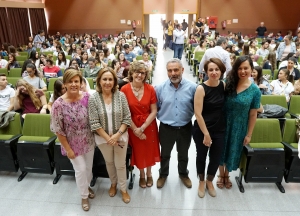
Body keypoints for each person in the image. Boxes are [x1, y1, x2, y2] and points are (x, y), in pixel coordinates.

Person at [50, 68, 96, 211]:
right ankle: (84, 197)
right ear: (65, 84)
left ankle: (87, 187)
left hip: (88, 141)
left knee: (88, 168)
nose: (74, 84)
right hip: (71, 144)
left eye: (76, 81)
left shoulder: (88, 97)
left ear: (81, 82)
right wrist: (68, 149)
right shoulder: (58, 104)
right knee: (81, 169)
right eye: (70, 82)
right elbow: (58, 130)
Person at [88, 67, 131, 204]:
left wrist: (117, 136)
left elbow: (127, 118)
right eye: (104, 79)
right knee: (109, 162)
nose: (107, 82)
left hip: (120, 137)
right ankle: (113, 184)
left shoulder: (121, 96)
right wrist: (108, 138)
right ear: (99, 81)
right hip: (102, 139)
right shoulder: (93, 98)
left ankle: (123, 189)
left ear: (115, 81)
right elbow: (94, 122)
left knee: (121, 164)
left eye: (110, 79)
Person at [218, 55, 261, 189]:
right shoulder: (227, 82)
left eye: (246, 68)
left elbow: (253, 113)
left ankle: (228, 174)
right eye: (240, 68)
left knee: (233, 151)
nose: (243, 71)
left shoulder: (255, 90)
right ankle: (221, 175)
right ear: (236, 69)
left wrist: (249, 134)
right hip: (223, 123)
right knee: (220, 150)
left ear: (251, 69)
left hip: (239, 126)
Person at [155, 58, 197, 189]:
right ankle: (163, 174)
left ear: (182, 70)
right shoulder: (160, 88)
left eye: (176, 70)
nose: (173, 73)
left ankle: (183, 174)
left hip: (185, 127)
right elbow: (155, 108)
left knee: (183, 154)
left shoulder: (193, 88)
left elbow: (197, 108)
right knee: (165, 154)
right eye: (170, 70)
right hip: (166, 128)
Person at [120, 62, 160, 188]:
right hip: (132, 125)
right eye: (137, 72)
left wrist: (142, 128)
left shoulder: (150, 89)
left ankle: (149, 173)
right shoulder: (124, 89)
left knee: (149, 150)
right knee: (138, 151)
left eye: (143, 73)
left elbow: (154, 111)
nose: (140, 75)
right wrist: (135, 129)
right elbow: (125, 113)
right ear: (131, 73)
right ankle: (142, 175)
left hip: (148, 125)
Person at [193, 58, 226, 198]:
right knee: (201, 156)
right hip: (202, 129)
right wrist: (206, 134)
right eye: (211, 70)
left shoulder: (223, 86)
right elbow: (198, 114)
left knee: (216, 157)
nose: (214, 72)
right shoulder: (201, 88)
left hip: (220, 129)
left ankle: (210, 181)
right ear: (206, 72)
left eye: (216, 69)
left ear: (221, 71)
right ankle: (201, 181)